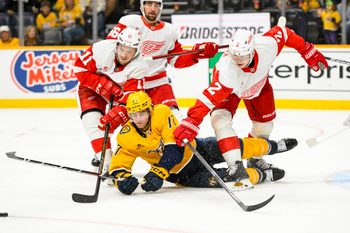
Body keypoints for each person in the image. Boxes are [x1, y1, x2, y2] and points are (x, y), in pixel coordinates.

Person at [173, 26, 328, 187]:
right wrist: (191, 121)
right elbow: (207, 100)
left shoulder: (267, 45)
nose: (238, 59)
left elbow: (285, 33)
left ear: (253, 50)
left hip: (258, 87)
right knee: (219, 120)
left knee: (265, 127)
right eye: (235, 55)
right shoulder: (227, 71)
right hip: (230, 91)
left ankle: (255, 159)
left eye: (243, 55)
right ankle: (235, 166)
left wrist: (308, 51)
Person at [109, 91, 298, 195]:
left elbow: (174, 149)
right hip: (182, 176)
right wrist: (122, 181)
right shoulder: (126, 136)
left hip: (196, 149)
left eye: (142, 113)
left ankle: (274, 146)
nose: (139, 118)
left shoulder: (162, 112)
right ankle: (264, 175)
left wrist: (157, 172)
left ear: (149, 109)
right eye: (134, 115)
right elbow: (118, 166)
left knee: (237, 147)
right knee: (229, 178)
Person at [106, 0, 218, 119]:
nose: (153, 8)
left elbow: (176, 59)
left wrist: (197, 53)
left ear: (161, 7)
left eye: (156, 5)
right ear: (141, 6)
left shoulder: (169, 31)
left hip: (158, 83)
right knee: (127, 121)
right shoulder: (129, 22)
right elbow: (109, 48)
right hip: (131, 83)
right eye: (149, 4)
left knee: (173, 117)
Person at [73, 27, 148, 174]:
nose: (125, 55)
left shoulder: (139, 67)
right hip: (90, 88)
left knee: (122, 122)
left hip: (119, 95)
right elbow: (79, 69)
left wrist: (119, 113)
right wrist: (101, 83)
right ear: (117, 45)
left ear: (136, 51)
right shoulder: (100, 50)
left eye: (130, 51)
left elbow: (132, 98)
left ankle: (117, 156)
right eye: (123, 49)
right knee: (92, 121)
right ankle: (106, 160)